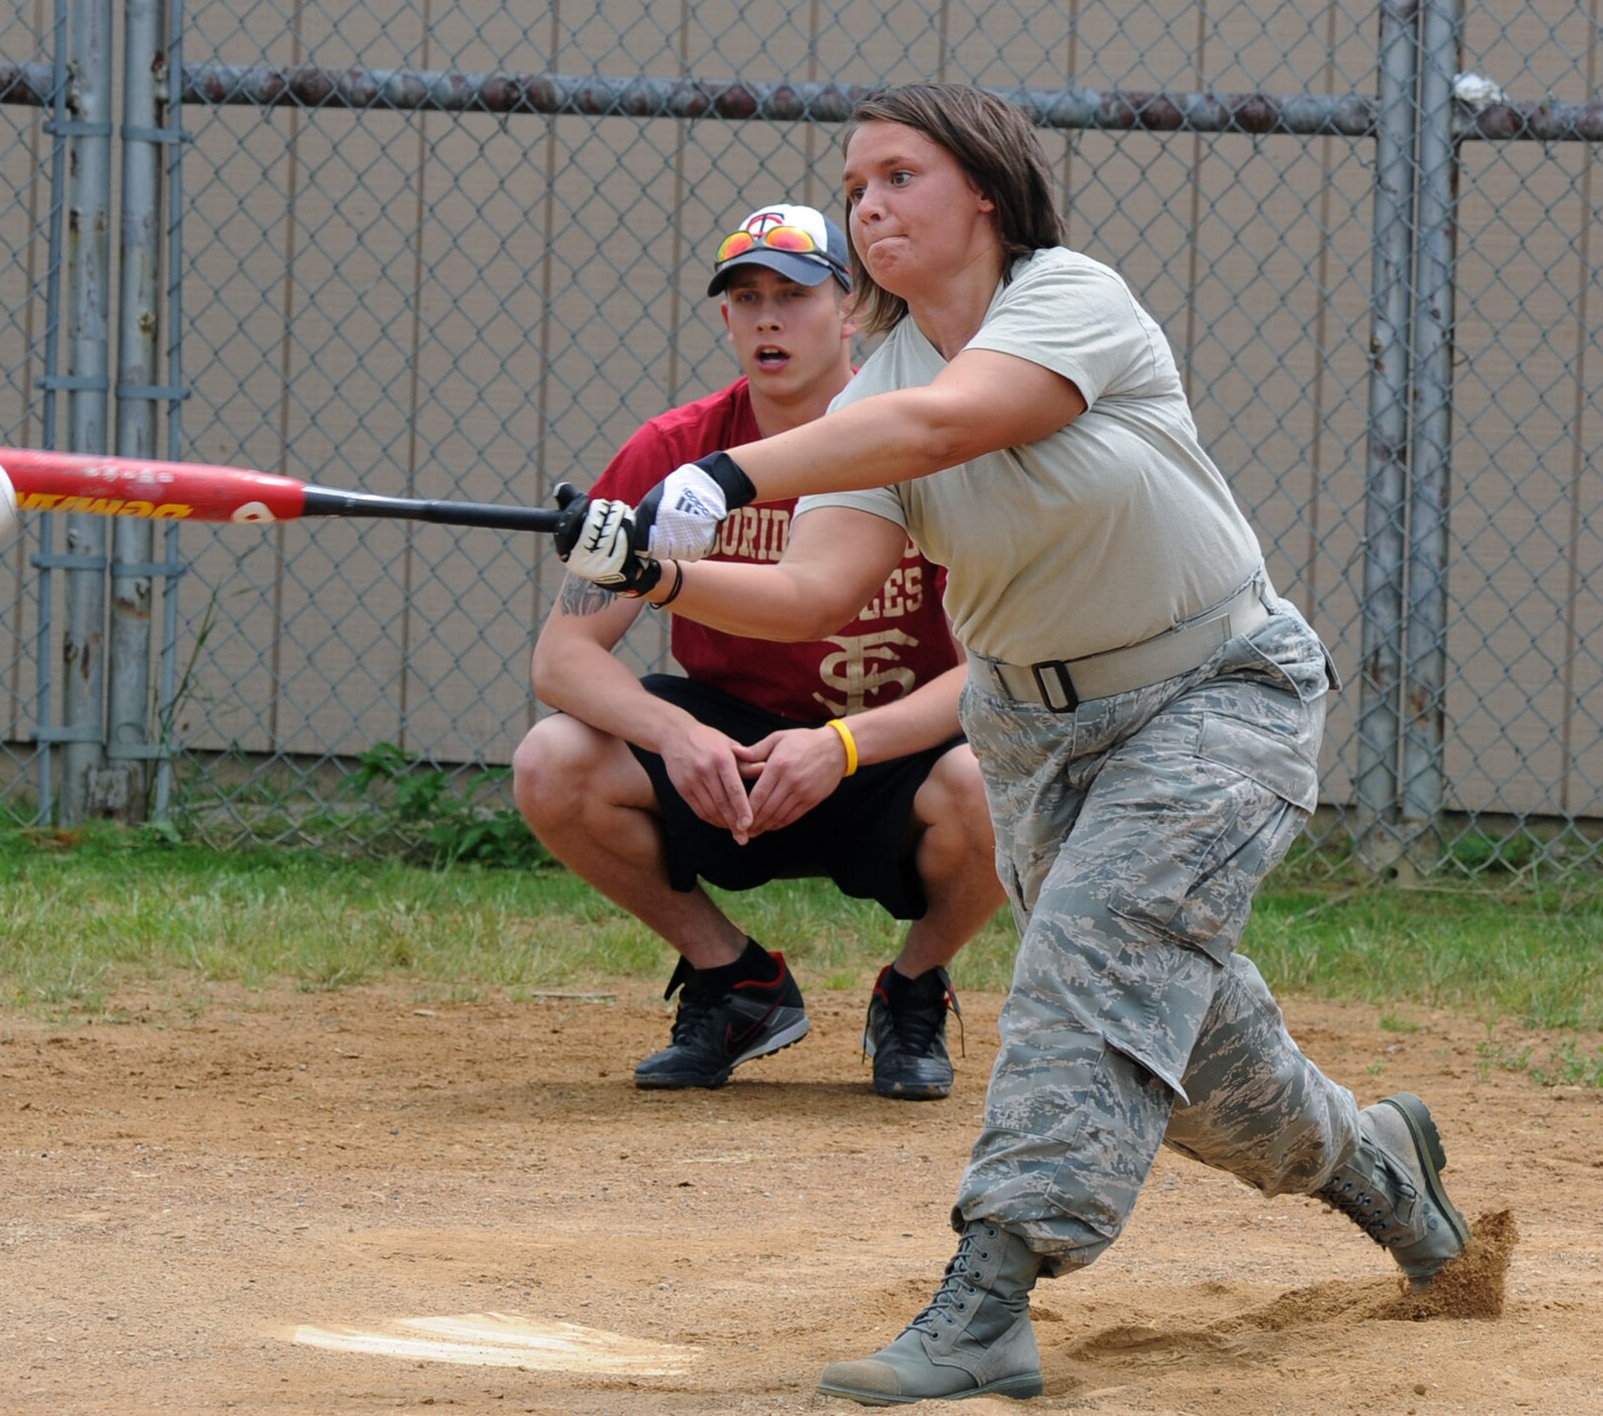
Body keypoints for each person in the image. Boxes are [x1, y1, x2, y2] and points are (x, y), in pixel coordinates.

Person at [558, 86, 1473, 1404]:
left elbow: (945, 424)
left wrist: (738, 477)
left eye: (898, 176)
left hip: (1215, 691)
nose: (868, 205)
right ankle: (1394, 1185)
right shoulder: (876, 387)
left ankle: (993, 1286)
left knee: (1088, 957)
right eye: (855, 184)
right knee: (1206, 1064)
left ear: (982, 189)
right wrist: (648, 571)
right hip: (1037, 732)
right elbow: (812, 591)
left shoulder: (1067, 299)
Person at [517, 201, 1004, 1100]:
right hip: (731, 751)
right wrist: (672, 733)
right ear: (725, 318)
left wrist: (848, 746)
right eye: (747, 297)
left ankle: (912, 985)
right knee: (553, 761)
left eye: (795, 293)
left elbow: (997, 672)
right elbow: (563, 657)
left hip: (890, 745)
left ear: (851, 310)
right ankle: (734, 980)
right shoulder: (674, 452)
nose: (768, 317)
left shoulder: (926, 439)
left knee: (998, 780)